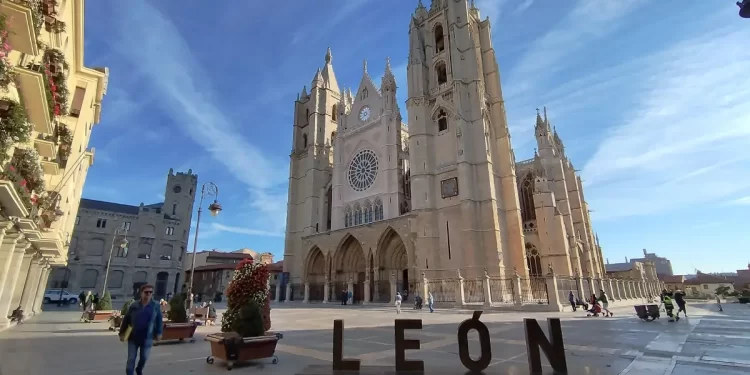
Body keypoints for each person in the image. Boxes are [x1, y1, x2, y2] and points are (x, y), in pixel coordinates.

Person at [120, 284, 163, 375]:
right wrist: (121, 333)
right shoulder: (134, 305)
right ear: (141, 293)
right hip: (133, 337)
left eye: (150, 292)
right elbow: (126, 319)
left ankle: (139, 369)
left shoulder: (155, 305)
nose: (148, 294)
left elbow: (159, 320)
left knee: (144, 358)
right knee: (131, 359)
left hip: (147, 337)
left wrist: (159, 332)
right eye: (146, 292)